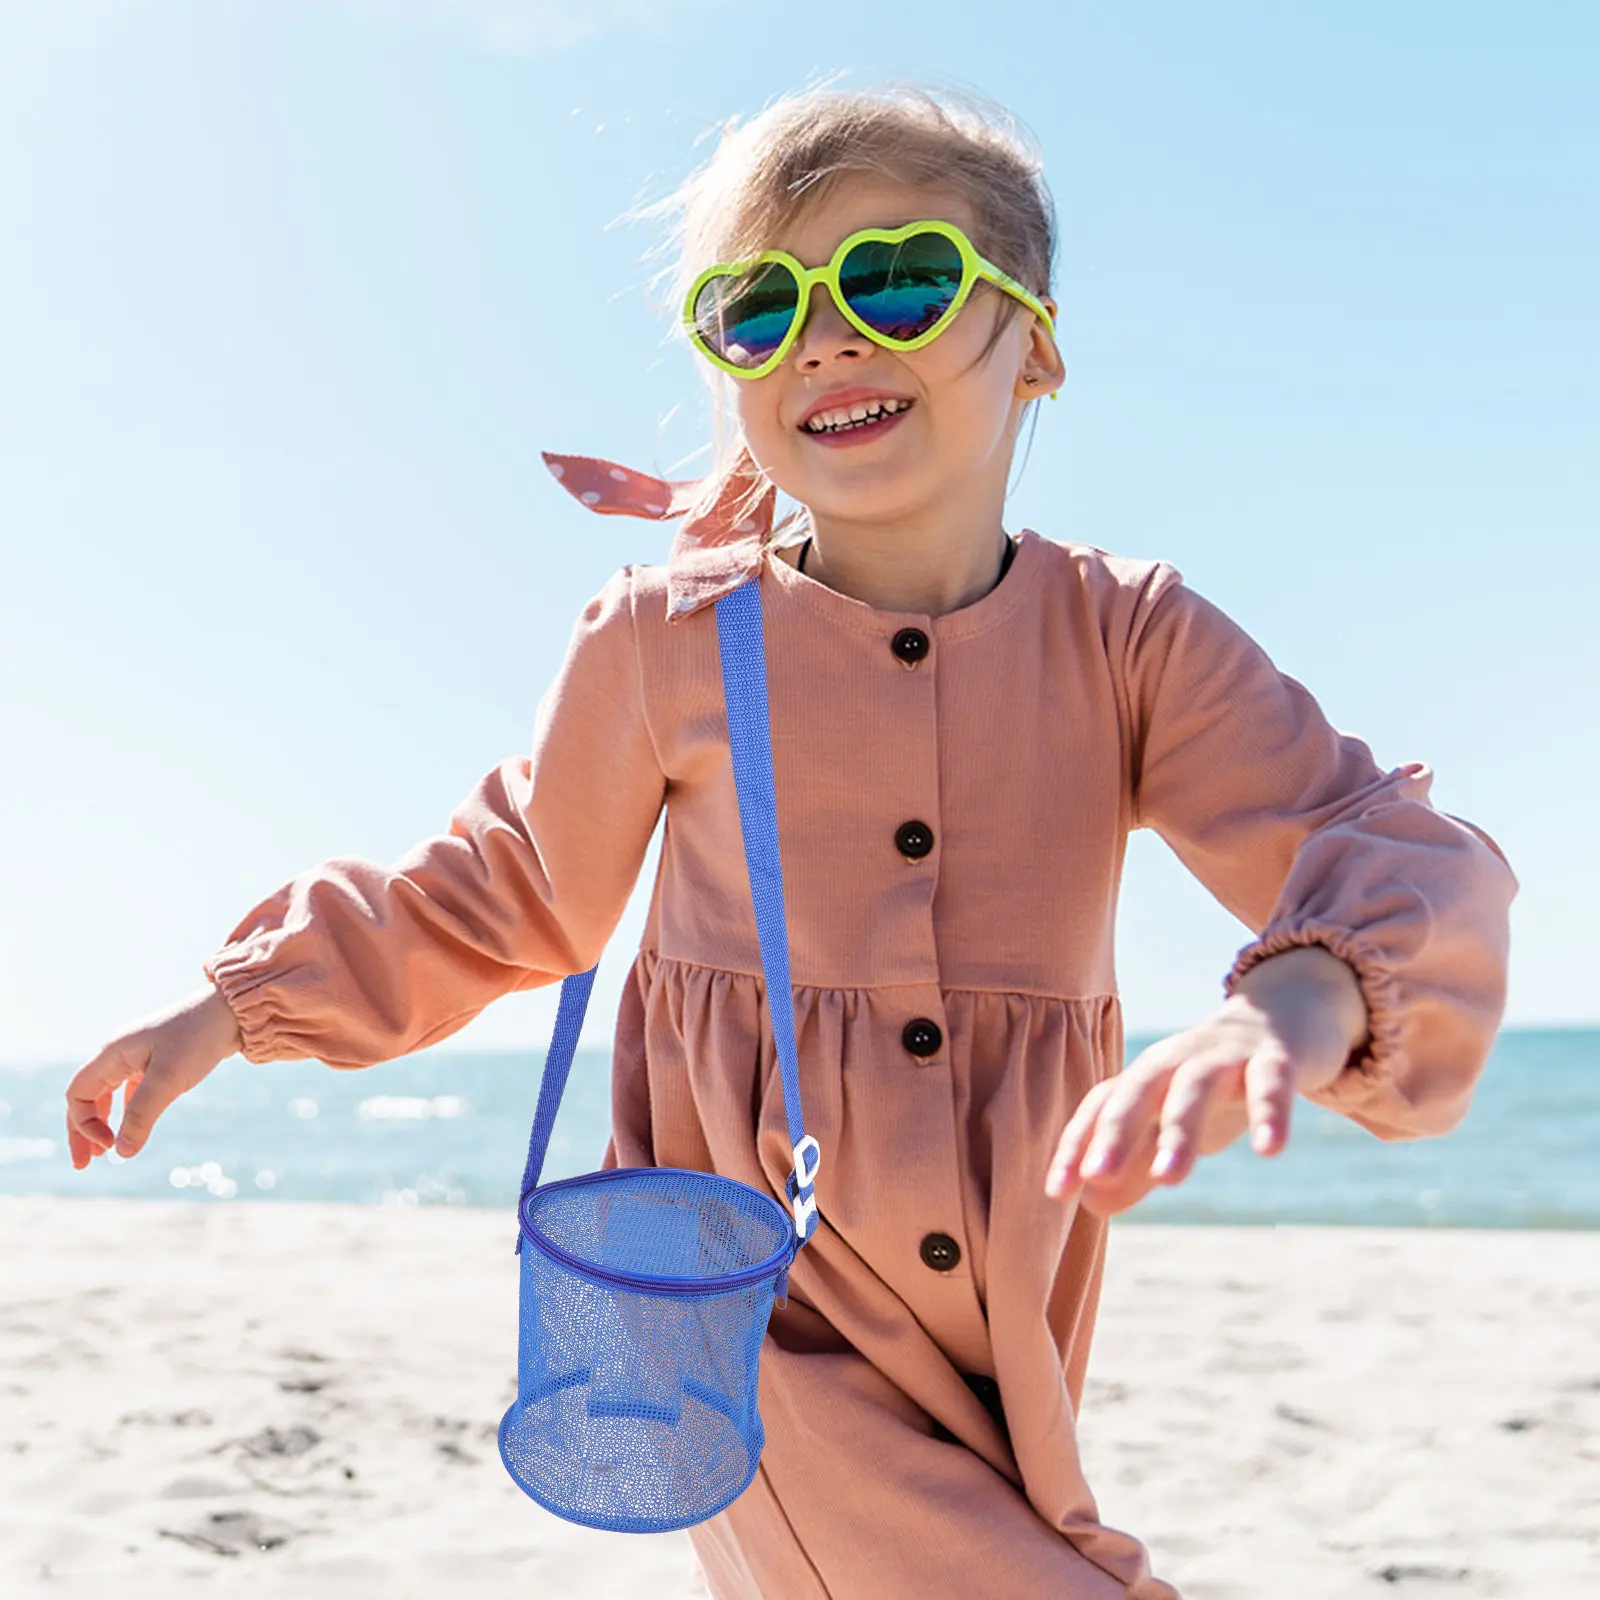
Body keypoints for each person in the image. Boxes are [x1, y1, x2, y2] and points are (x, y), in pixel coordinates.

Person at [64, 83, 1518, 1599]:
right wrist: (228, 1011)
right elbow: (507, 888)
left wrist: (1287, 1008)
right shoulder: (666, 644)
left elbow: (1369, 835)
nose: (827, 337)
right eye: (759, 309)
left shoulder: (1127, 641)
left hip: (1004, 1331)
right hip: (744, 1313)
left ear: (1038, 343)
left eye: (899, 281)